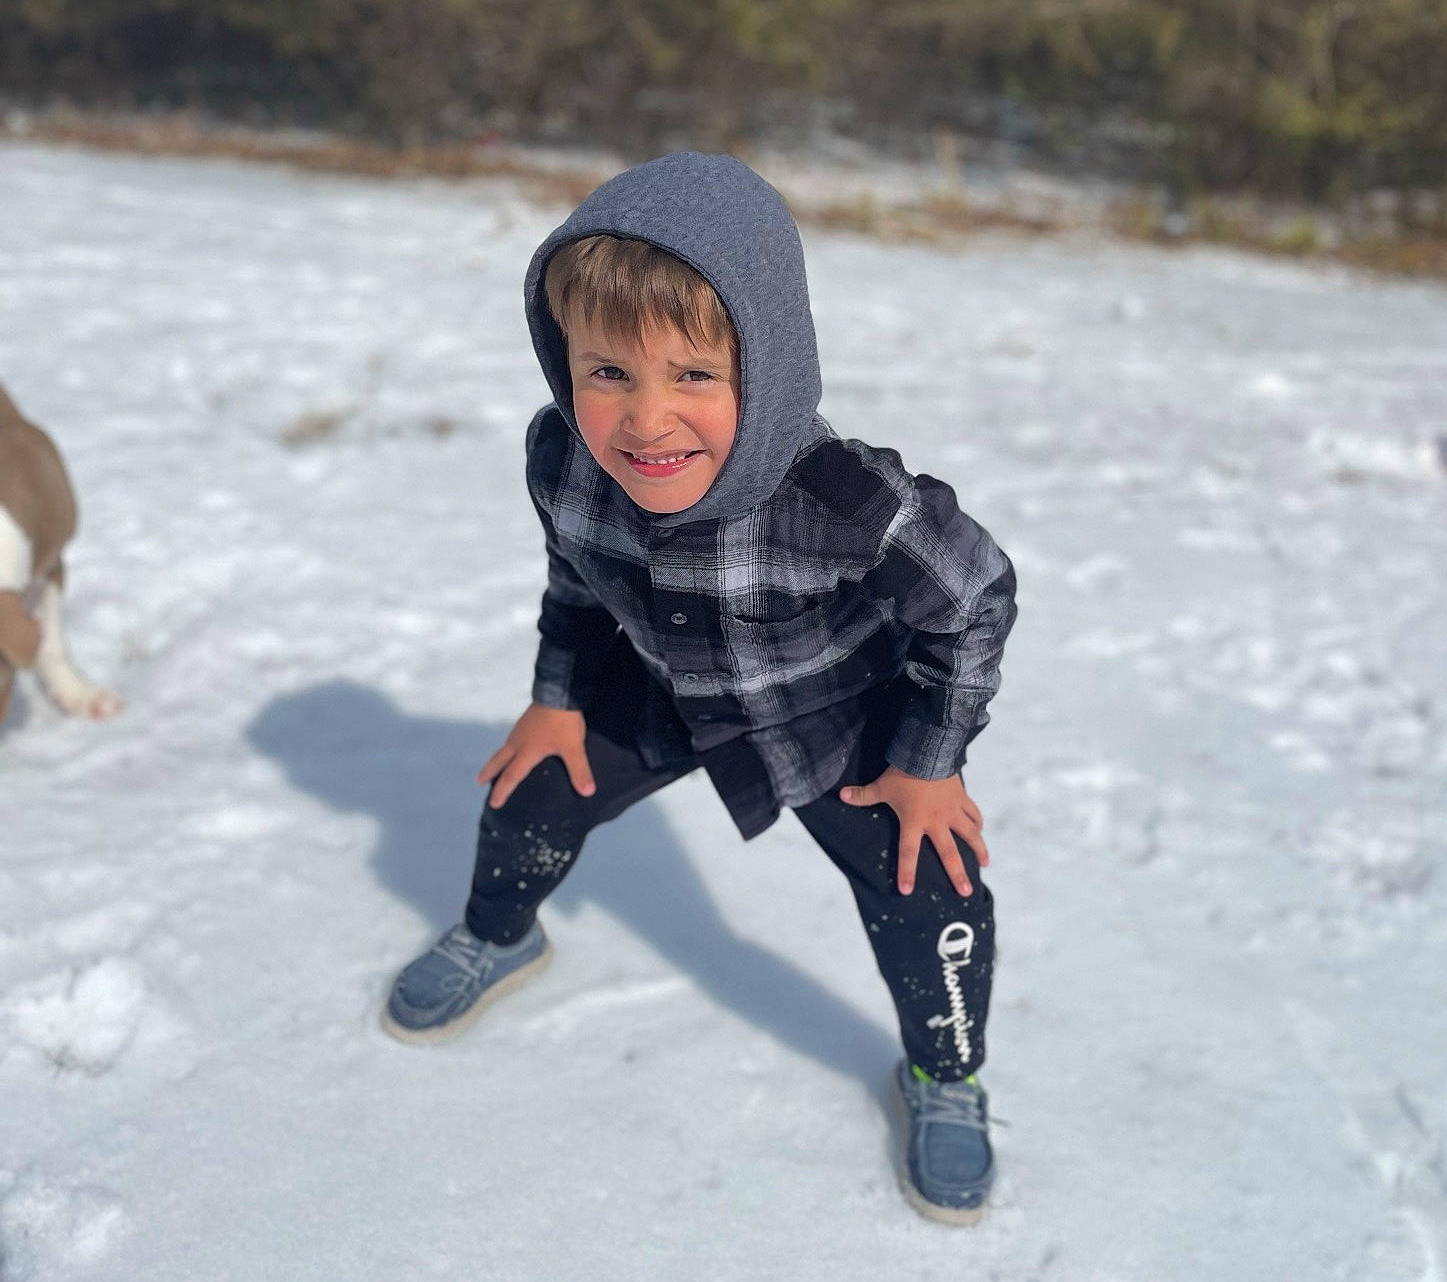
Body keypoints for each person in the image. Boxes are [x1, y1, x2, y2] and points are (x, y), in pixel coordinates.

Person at [384, 153, 1016, 1224]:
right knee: (529, 788)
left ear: (765, 367)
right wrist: (558, 694)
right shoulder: (562, 462)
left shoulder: (847, 500)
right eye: (608, 373)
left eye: (692, 376)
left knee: (932, 884)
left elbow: (976, 596)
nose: (645, 420)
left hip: (833, 713)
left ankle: (945, 1069)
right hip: (660, 682)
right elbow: (577, 583)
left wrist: (928, 762)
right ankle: (501, 930)